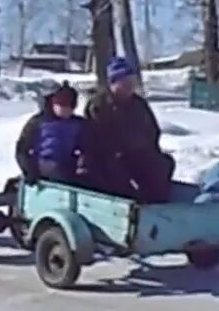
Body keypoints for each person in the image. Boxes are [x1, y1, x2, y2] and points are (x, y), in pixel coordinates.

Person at [84, 57, 176, 203]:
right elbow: (96, 136)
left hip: (137, 155)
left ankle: (156, 204)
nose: (130, 86)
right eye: (125, 82)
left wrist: (149, 150)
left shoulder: (139, 104)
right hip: (109, 157)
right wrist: (118, 151)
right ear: (113, 83)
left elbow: (152, 131)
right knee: (116, 172)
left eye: (131, 82)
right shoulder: (99, 105)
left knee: (162, 164)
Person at [14, 81, 92, 185]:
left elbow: (87, 147)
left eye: (69, 107)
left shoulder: (78, 124)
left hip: (68, 166)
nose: (65, 110)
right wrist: (28, 170)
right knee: (54, 168)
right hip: (42, 165)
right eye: (61, 106)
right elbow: (22, 149)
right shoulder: (39, 122)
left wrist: (83, 163)